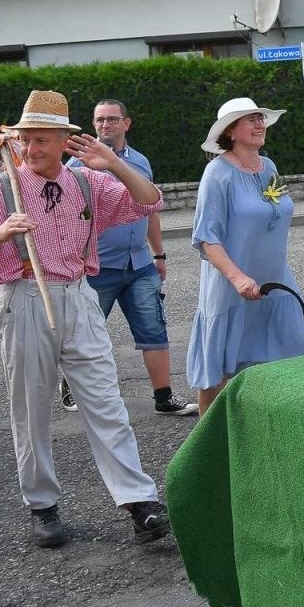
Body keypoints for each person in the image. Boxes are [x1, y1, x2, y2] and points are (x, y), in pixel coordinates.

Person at [0, 90, 171, 549]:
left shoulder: (86, 185)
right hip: (26, 297)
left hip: (79, 297)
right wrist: (1, 234)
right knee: (31, 408)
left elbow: (150, 201)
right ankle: (42, 504)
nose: (31, 150)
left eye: (40, 140)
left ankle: (139, 502)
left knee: (106, 402)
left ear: (63, 140)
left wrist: (111, 161)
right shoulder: (2, 188)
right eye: (25, 140)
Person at [62, 99, 198, 417]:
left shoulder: (140, 161)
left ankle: (164, 398)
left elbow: (150, 208)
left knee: (154, 329)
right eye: (99, 121)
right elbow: (69, 218)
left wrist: (159, 253)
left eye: (112, 120)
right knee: (85, 333)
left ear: (127, 123)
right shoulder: (76, 166)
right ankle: (71, 387)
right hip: (98, 266)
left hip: (139, 264)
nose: (105, 126)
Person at [187, 97, 304, 416]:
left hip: (274, 281)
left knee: (291, 352)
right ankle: (204, 450)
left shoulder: (268, 167)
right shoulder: (217, 173)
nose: (259, 125)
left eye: (261, 119)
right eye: (250, 120)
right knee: (217, 377)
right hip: (232, 286)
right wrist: (238, 277)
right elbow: (207, 238)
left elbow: (275, 209)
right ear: (230, 131)